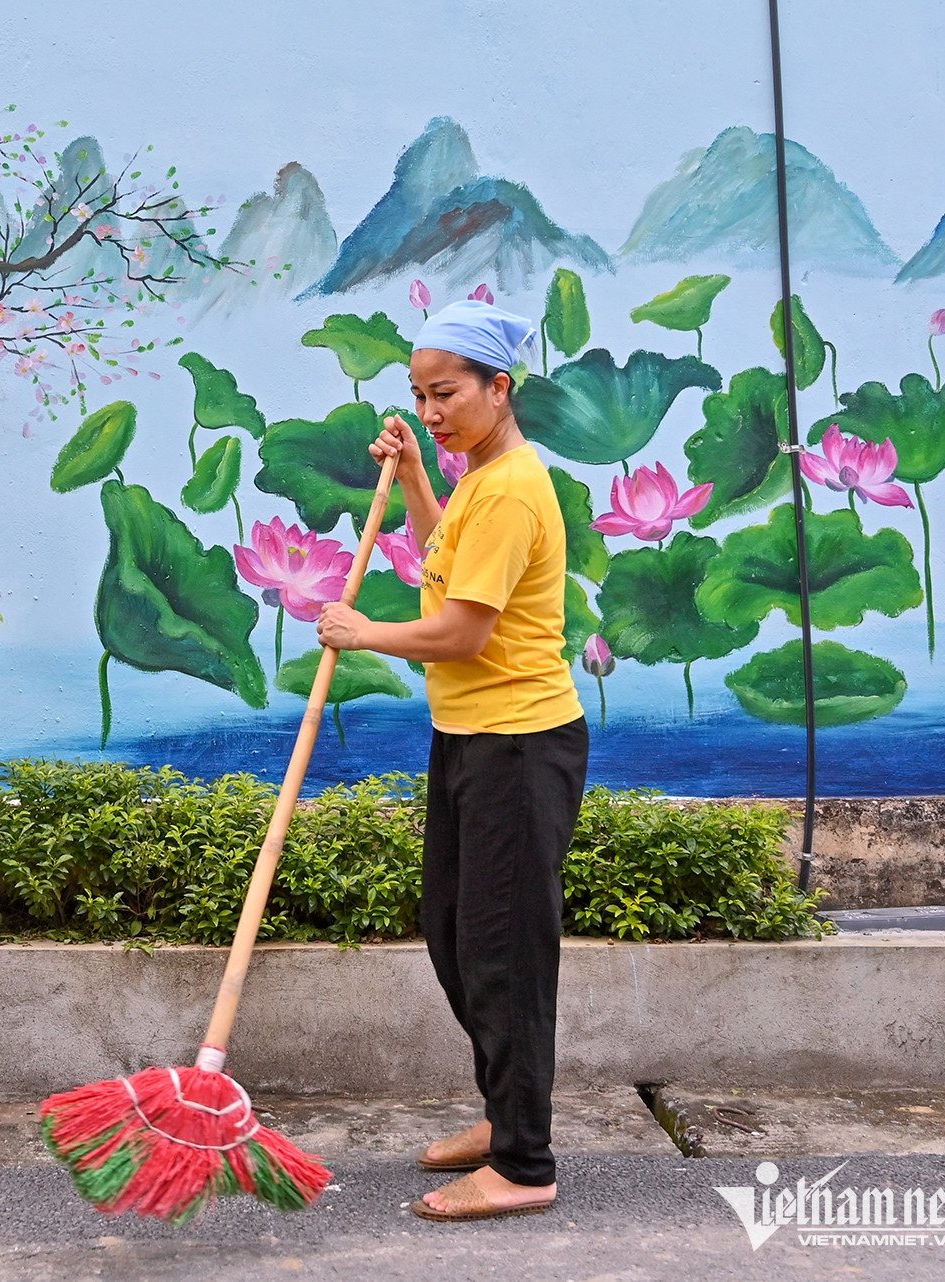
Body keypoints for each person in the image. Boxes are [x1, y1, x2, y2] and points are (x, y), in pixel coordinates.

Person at [315, 298, 590, 1223]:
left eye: (446, 396)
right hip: (471, 739)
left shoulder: (513, 488)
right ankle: (506, 1109)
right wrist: (417, 473)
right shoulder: (479, 478)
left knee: (505, 954)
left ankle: (523, 1164)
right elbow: (444, 555)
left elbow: (464, 632)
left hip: (519, 744)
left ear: (499, 387)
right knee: (453, 931)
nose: (432, 412)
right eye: (419, 397)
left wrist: (362, 634)